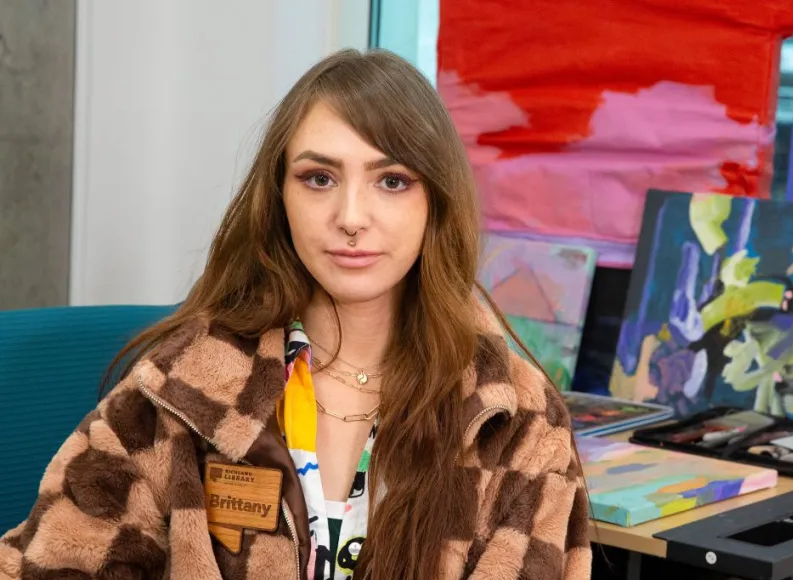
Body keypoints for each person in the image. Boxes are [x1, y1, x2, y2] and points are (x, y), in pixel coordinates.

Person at [0, 49, 590, 580]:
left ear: (435, 202)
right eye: (319, 178)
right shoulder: (181, 389)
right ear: (279, 197)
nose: (351, 215)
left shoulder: (516, 420)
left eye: (391, 180)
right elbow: (48, 563)